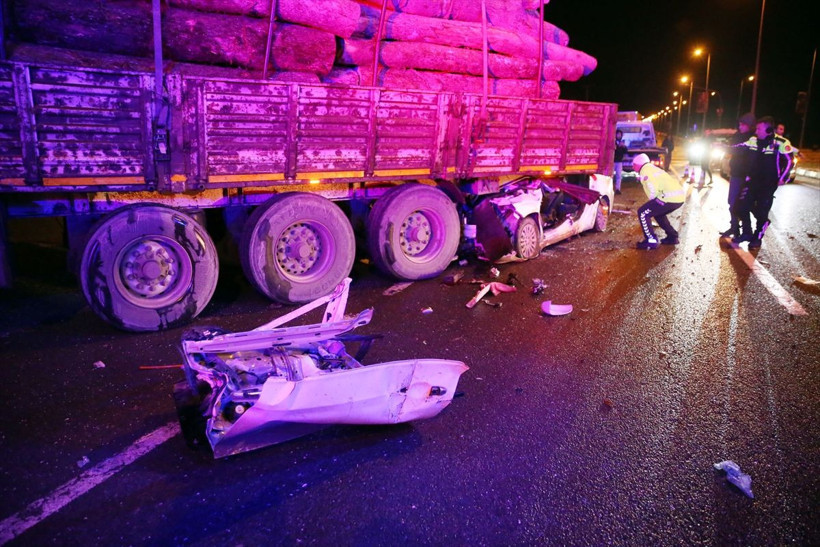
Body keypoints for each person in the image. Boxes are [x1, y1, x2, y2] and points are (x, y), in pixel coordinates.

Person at [733, 116, 795, 248]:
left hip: (768, 183)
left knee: (762, 210)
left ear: (768, 130)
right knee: (740, 206)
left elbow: (789, 161)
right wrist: (723, 146)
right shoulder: (753, 140)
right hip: (752, 180)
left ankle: (758, 235)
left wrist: (783, 177)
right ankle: (747, 232)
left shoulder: (781, 143)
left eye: (759, 128)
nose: (756, 131)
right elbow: (740, 147)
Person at [632, 153, 685, 249]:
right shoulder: (651, 168)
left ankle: (650, 240)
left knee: (643, 213)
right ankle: (672, 237)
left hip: (669, 198)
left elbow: (652, 188)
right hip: (678, 197)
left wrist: (653, 202)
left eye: (634, 164)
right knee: (658, 214)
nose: (633, 166)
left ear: (639, 164)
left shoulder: (645, 171)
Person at [721, 112, 756, 238]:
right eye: (740, 124)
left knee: (742, 204)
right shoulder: (738, 135)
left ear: (750, 125)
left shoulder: (752, 138)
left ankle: (746, 231)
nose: (740, 126)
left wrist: (724, 147)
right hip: (736, 174)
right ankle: (735, 228)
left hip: (745, 176)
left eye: (743, 124)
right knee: (732, 202)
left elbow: (739, 149)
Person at [613, 129, 628, 194]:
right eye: (617, 134)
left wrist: (623, 146)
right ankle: (609, 189)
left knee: (619, 176)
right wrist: (617, 147)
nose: (619, 135)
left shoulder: (622, 142)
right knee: (610, 176)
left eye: (620, 134)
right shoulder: (613, 142)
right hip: (612, 161)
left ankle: (617, 189)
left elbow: (625, 151)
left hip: (619, 162)